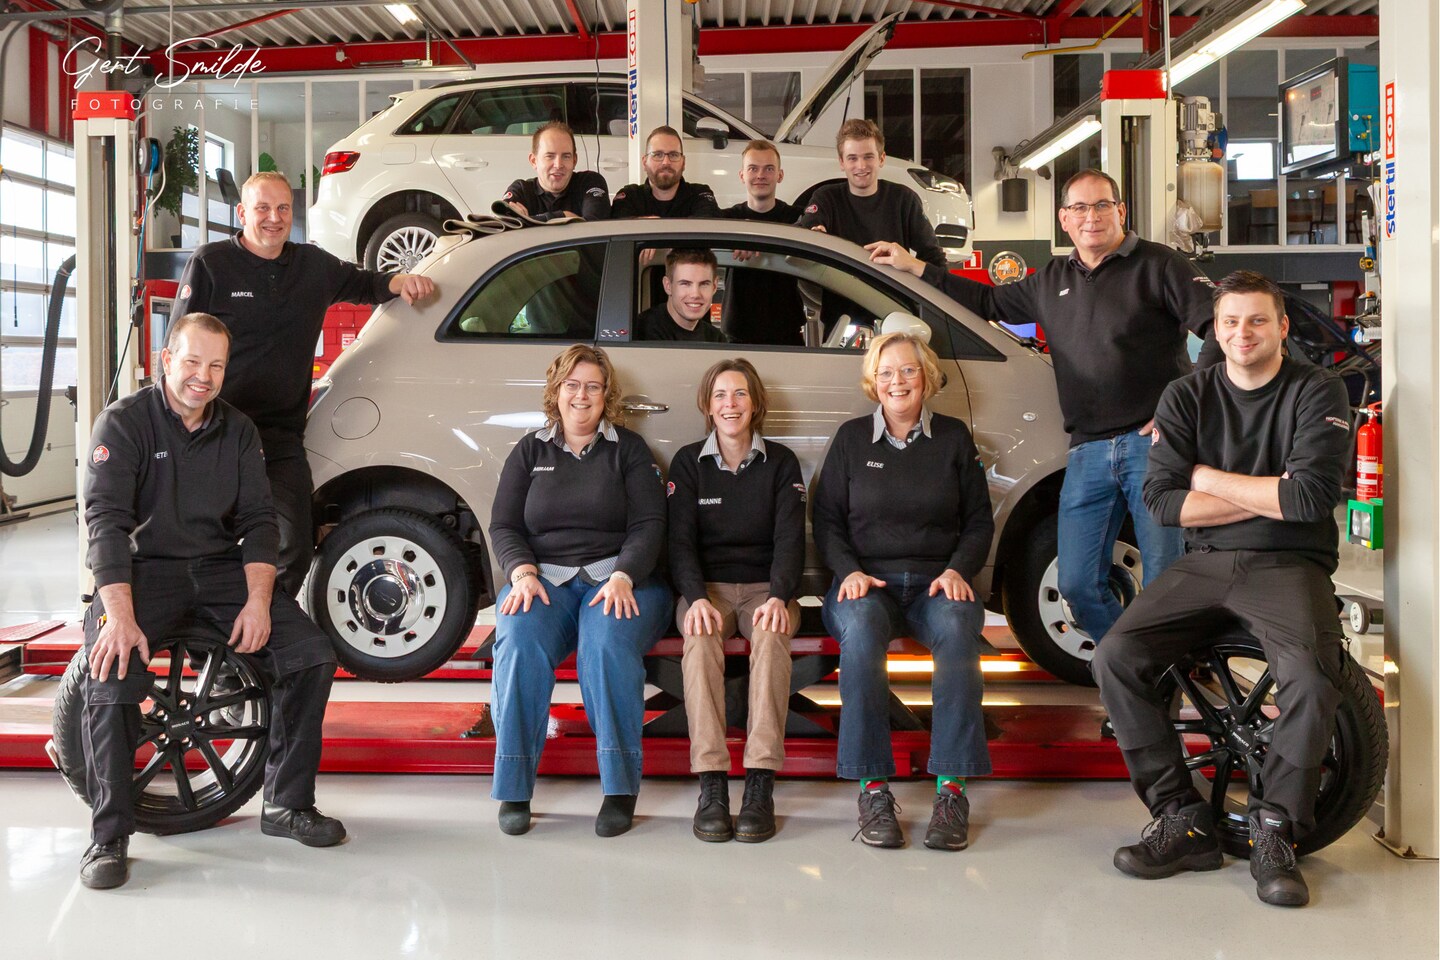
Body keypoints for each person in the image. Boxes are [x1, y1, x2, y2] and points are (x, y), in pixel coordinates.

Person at [868, 168, 1216, 645]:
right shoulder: (1052, 279)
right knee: (1076, 585)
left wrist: (1180, 407)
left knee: (1164, 581)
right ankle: (1131, 666)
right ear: (1064, 219)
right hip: (1087, 449)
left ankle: (1159, 680)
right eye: (1079, 208)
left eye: (1102, 205)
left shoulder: (1160, 265)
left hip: (1151, 447)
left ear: (1120, 211)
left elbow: (1219, 328)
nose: (1091, 217)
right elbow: (986, 301)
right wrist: (916, 268)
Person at [1093, 271, 1353, 908]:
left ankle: (1275, 830)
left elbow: (1309, 499)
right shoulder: (1186, 395)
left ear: (1282, 327)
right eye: (1230, 321)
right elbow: (1162, 503)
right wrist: (1270, 493)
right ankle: (1182, 819)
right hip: (1203, 563)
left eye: (1258, 320)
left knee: (1311, 677)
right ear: (1215, 329)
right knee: (1115, 656)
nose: (1243, 333)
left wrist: (1205, 477)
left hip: (1289, 564)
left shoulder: (1317, 389)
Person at [77, 312, 344, 891]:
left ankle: (286, 803)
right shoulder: (124, 424)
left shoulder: (238, 430)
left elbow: (257, 521)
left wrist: (258, 601)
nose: (203, 375)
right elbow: (105, 523)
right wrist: (118, 616)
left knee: (311, 655)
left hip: (222, 571)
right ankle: (109, 836)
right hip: (144, 573)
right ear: (166, 359)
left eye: (216, 365)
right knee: (112, 669)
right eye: (193, 361)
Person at [169, 172, 437, 597]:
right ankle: (213, 625)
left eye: (283, 208)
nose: (274, 218)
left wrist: (404, 281)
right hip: (216, 429)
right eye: (262, 208)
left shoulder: (312, 265)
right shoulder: (211, 263)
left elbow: (366, 284)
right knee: (205, 540)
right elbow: (178, 347)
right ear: (242, 213)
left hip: (280, 435)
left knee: (294, 543)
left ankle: (262, 622)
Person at [812, 331, 994, 850]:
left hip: (937, 583)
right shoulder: (851, 439)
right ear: (874, 381)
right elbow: (827, 521)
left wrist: (958, 570)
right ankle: (872, 788)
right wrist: (848, 571)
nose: (898, 381)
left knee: (958, 631)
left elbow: (979, 521)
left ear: (927, 377)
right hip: (867, 584)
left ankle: (951, 790)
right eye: (887, 372)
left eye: (909, 370)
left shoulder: (953, 437)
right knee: (862, 633)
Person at [487, 345, 670, 838]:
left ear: (607, 394)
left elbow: (650, 524)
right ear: (557, 390)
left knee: (605, 644)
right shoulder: (530, 450)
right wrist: (521, 572)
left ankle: (619, 787)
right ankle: (514, 786)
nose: (581, 395)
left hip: (620, 580)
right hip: (544, 581)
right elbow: (504, 525)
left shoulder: (628, 450)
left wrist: (625, 574)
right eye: (572, 385)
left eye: (593, 386)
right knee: (518, 640)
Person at [668, 359, 806, 843]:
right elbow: (679, 542)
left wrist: (781, 595)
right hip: (707, 590)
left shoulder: (781, 462)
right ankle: (711, 783)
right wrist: (694, 598)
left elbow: (791, 540)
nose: (731, 404)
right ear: (708, 406)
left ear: (755, 403)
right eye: (721, 395)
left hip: (768, 589)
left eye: (741, 394)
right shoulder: (689, 462)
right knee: (700, 637)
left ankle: (760, 782)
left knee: (771, 635)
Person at [798, 118, 945, 268]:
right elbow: (808, 227)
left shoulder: (904, 200)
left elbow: (934, 257)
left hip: (887, 284)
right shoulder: (826, 198)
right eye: (852, 158)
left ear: (881, 159)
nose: (861, 166)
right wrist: (814, 232)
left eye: (868, 157)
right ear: (842, 162)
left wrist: (913, 268)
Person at [718, 139, 807, 346]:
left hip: (787, 333)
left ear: (780, 175)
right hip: (737, 333)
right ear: (742, 175)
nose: (760, 175)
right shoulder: (726, 220)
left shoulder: (797, 218)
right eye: (753, 168)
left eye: (769, 168)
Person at [501, 120, 611, 221]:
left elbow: (595, 225)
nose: (558, 165)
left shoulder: (590, 182)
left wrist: (528, 220)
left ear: (574, 160)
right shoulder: (521, 190)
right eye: (550, 156)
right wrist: (565, 216)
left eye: (566, 156)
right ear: (534, 161)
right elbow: (504, 224)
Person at [610, 125, 720, 219]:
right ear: (645, 162)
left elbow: (707, 226)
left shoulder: (700, 194)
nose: (666, 162)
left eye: (674, 155)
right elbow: (618, 227)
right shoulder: (630, 196)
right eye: (658, 155)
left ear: (683, 162)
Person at [634, 248, 729, 343]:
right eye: (685, 284)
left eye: (704, 284)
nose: (695, 294)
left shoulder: (716, 338)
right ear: (668, 286)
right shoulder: (638, 332)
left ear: (714, 286)